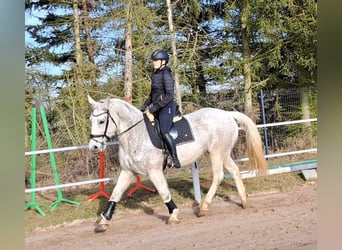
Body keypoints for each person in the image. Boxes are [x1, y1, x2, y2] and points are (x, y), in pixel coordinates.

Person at [141, 49, 181, 168]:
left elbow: (169, 95)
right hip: (158, 107)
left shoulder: (166, 74)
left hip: (167, 106)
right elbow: (152, 94)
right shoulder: (156, 74)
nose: (153, 62)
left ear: (163, 61)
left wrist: (155, 107)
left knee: (164, 130)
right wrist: (145, 105)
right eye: (153, 60)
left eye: (156, 60)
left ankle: (174, 157)